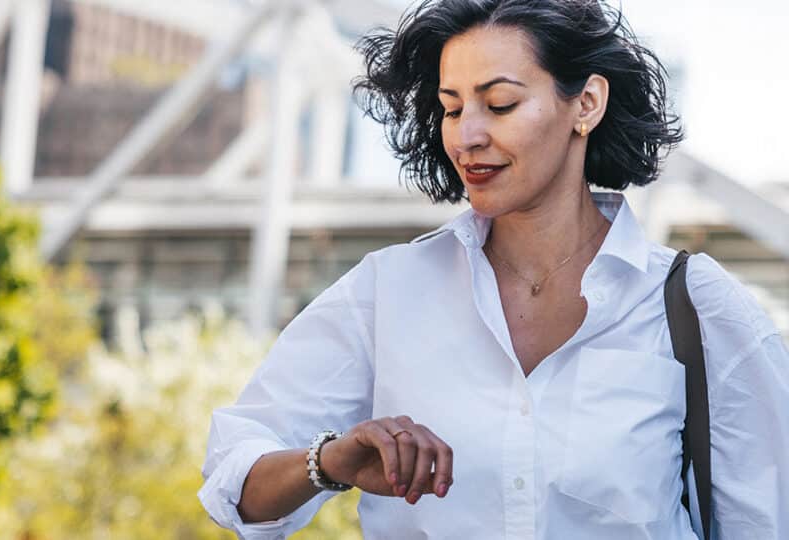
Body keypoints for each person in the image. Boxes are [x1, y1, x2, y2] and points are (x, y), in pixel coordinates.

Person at [198, 0, 789, 538]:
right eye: (452, 109)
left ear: (586, 104)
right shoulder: (389, 291)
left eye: (500, 104)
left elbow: (764, 520)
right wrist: (327, 461)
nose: (467, 136)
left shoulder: (696, 306)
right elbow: (235, 472)